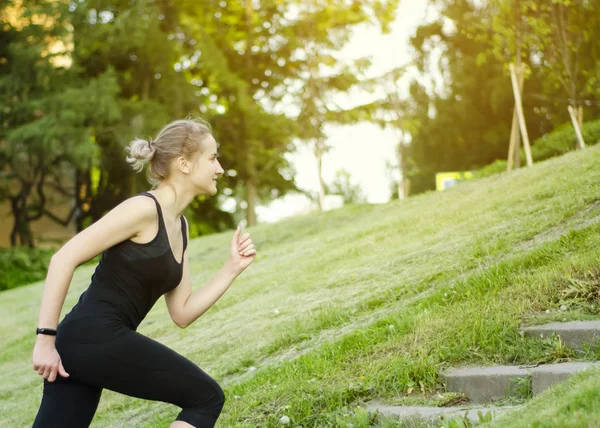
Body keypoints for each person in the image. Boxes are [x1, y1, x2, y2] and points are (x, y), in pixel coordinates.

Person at [31, 118, 256, 427]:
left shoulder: (180, 226)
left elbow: (182, 312)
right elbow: (63, 259)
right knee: (205, 398)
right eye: (213, 157)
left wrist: (233, 268)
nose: (220, 168)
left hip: (86, 345)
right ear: (184, 164)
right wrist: (45, 339)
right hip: (91, 336)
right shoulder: (143, 209)